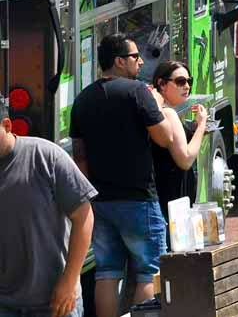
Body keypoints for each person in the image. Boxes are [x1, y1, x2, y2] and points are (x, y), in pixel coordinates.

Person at [70, 33, 174, 317]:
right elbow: (165, 138)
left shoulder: (83, 99)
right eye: (134, 56)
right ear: (119, 61)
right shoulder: (138, 92)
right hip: (138, 199)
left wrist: (91, 195)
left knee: (106, 272)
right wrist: (158, 105)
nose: (140, 61)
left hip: (100, 201)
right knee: (149, 271)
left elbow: (80, 155)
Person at [0, 102, 95, 317]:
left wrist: (69, 281)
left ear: (7, 125)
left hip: (55, 302)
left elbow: (84, 216)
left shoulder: (45, 156)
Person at [149, 61, 208, 222]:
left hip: (163, 194)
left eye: (189, 81)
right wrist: (202, 124)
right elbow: (185, 159)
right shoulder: (168, 114)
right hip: (172, 197)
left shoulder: (159, 112)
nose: (187, 86)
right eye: (180, 81)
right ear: (162, 84)